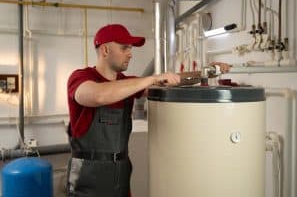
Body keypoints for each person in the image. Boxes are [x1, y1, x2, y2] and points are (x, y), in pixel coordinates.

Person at [66, 24, 230, 197]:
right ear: (105, 50)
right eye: (124, 48)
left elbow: (171, 81)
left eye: (131, 48)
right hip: (88, 176)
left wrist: (204, 73)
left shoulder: (127, 84)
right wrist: (152, 78)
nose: (130, 53)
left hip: (120, 173)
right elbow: (98, 95)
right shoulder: (81, 77)